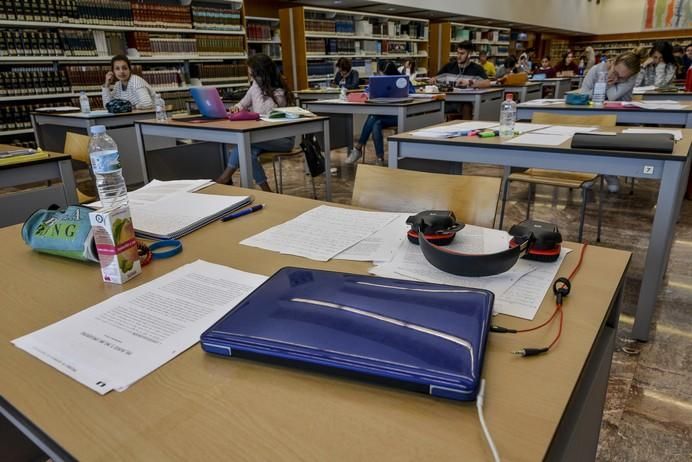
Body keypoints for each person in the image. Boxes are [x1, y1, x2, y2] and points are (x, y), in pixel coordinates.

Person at [216, 54, 295, 189]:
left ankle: (224, 178)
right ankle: (266, 190)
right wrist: (236, 108)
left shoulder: (278, 91)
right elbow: (242, 104)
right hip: (262, 136)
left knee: (243, 144)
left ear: (260, 73)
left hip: (282, 139)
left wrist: (257, 86)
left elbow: (261, 112)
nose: (250, 76)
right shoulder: (256, 86)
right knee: (247, 151)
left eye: (252, 73)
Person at [578, 51, 641, 192]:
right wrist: (603, 83)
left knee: (608, 141)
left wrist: (608, 83)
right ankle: (592, 172)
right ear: (613, 62)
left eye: (622, 77)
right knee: (589, 138)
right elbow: (583, 94)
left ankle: (609, 173)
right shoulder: (596, 70)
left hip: (621, 118)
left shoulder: (631, 77)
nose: (617, 77)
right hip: (595, 115)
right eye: (616, 72)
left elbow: (612, 97)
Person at [345, 61, 412, 166]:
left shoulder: (402, 79)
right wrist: (368, 92)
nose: (382, 76)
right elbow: (368, 90)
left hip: (400, 115)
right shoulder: (379, 81)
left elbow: (412, 91)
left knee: (374, 117)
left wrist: (402, 92)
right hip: (385, 116)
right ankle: (379, 158)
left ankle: (358, 148)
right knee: (376, 123)